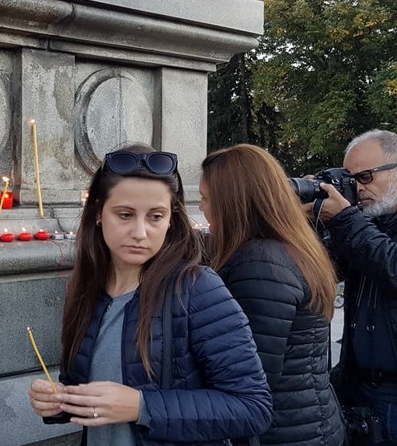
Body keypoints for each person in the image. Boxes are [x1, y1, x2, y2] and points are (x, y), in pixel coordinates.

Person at [29, 143, 272, 445]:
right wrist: (59, 402)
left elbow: (253, 407)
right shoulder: (86, 292)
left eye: (155, 216)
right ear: (98, 213)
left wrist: (142, 407)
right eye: (125, 214)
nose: (140, 232)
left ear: (171, 219)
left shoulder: (197, 290)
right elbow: (92, 392)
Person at [200, 144, 345, 445]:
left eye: (205, 198)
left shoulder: (260, 264)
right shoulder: (288, 247)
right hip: (306, 424)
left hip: (281, 433)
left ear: (232, 203)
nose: (201, 208)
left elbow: (250, 374)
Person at [306, 129, 397, 445]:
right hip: (357, 387)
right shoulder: (366, 224)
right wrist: (308, 221)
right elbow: (320, 273)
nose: (357, 188)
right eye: (349, 179)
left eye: (365, 177)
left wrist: (344, 219)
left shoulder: (356, 225)